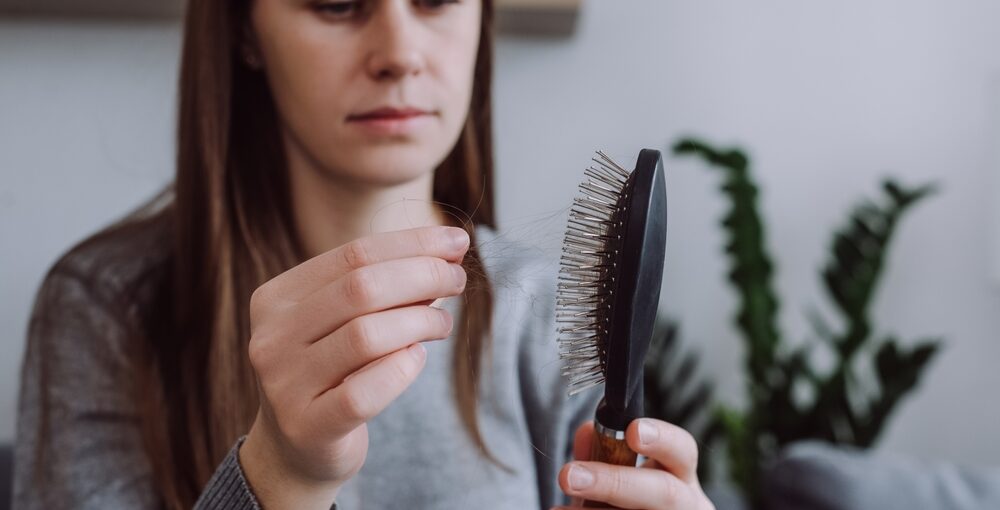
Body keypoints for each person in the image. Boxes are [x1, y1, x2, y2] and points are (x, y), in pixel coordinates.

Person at [14, 0, 714, 508]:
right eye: (338, 4)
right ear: (244, 31)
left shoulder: (543, 314)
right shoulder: (105, 308)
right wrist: (280, 475)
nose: (399, 54)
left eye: (437, 1)